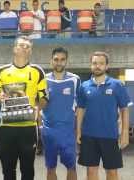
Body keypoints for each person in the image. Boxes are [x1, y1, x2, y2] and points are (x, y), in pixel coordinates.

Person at [0, 36, 49, 180]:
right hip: (6, 127)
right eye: (21, 45)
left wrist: (38, 108)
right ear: (14, 48)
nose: (24, 48)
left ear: (30, 51)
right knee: (8, 170)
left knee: (28, 170)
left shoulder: (37, 71)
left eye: (27, 47)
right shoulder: (2, 71)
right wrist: (0, 98)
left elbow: (44, 97)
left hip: (28, 127)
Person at [76, 51, 133, 180]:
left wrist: (124, 133)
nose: (97, 66)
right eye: (94, 63)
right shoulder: (84, 87)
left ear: (107, 66)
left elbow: (124, 109)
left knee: (112, 172)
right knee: (91, 172)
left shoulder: (117, 85)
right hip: (89, 136)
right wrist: (78, 131)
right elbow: (80, 109)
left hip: (110, 136)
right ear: (91, 66)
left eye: (101, 63)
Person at [41, 47, 80, 180]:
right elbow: (38, 104)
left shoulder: (75, 80)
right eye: (56, 59)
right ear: (51, 61)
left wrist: (78, 131)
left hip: (68, 132)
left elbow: (80, 107)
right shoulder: (43, 80)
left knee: (71, 167)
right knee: (50, 168)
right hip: (48, 131)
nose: (59, 62)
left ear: (66, 61)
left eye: (62, 60)